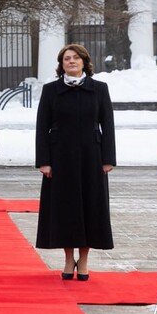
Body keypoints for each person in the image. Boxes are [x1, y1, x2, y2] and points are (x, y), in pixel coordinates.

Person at [34, 44, 116, 281]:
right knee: (65, 208)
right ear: (61, 65)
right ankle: (69, 259)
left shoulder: (99, 89)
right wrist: (44, 161)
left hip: (92, 156)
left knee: (90, 207)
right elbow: (42, 127)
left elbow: (107, 125)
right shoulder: (51, 90)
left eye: (75, 58)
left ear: (84, 62)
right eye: (66, 59)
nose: (71, 61)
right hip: (60, 157)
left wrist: (108, 159)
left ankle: (85, 260)